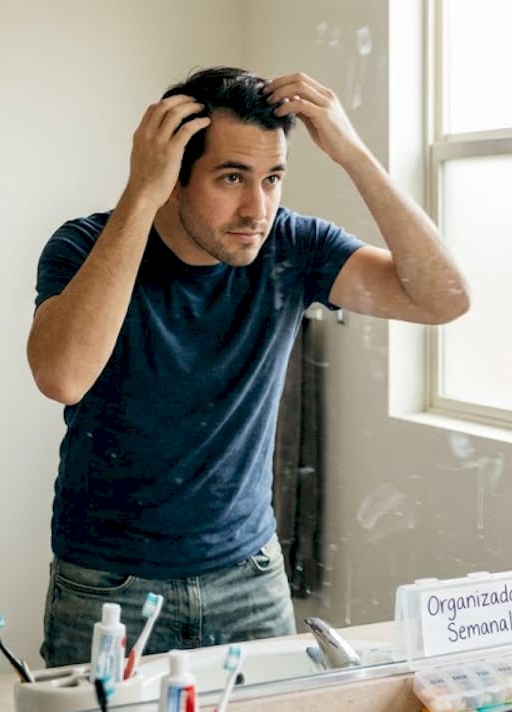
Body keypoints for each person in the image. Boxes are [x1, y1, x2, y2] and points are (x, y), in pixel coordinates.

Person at [27, 66, 469, 667]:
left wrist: (354, 155)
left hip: (251, 581)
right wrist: (140, 193)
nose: (255, 207)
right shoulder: (83, 246)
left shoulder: (293, 248)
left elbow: (444, 298)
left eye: (273, 178)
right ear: (176, 176)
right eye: (232, 177)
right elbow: (63, 376)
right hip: (107, 587)